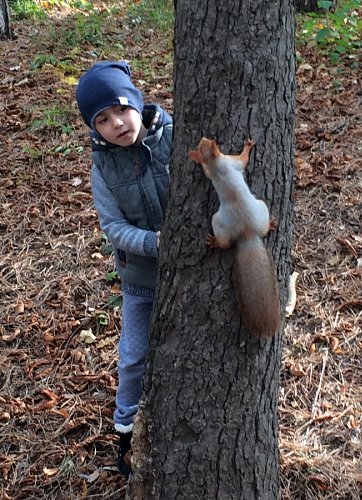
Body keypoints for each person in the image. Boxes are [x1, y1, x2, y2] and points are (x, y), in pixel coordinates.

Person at [76, 61, 173, 477]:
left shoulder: (172, 136)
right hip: (141, 282)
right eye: (102, 119)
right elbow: (113, 227)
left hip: (192, 274)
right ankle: (127, 433)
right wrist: (155, 243)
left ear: (136, 102)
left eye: (121, 110)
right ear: (94, 128)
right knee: (133, 356)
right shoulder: (103, 168)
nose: (117, 124)